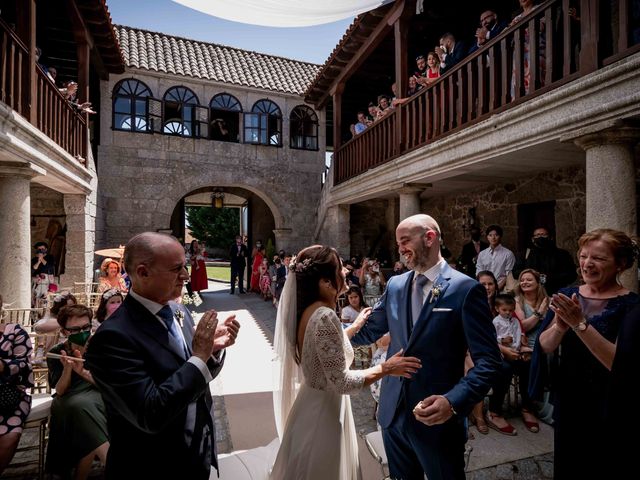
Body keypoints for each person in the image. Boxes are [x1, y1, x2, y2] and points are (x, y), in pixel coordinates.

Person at [352, 214, 501, 480]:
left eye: (405, 241)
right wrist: (325, 333)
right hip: (392, 413)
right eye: (399, 243)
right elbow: (369, 330)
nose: (400, 249)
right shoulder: (396, 285)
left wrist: (452, 401)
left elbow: (489, 361)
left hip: (438, 419)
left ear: (429, 238)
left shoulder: (465, 289)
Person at [85, 232, 241, 479]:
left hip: (194, 453)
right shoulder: (112, 338)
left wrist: (211, 350)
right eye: (176, 269)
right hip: (152, 464)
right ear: (143, 272)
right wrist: (200, 356)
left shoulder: (179, 311)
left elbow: (192, 372)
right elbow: (150, 413)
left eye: (186, 266)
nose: (186, 276)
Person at [271, 245, 421, 480]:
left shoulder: (307, 311)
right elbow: (342, 382)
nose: (345, 271)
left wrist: (353, 328)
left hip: (311, 402)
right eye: (339, 268)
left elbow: (323, 348)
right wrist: (386, 367)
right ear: (325, 282)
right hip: (324, 414)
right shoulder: (325, 316)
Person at [535, 228, 639, 479]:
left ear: (620, 264)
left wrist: (580, 325)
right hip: (570, 395)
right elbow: (545, 345)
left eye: (599, 258)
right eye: (583, 256)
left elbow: (619, 363)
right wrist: (560, 327)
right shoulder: (569, 294)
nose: (587, 264)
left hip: (609, 401)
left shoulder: (631, 305)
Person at [46, 305, 109, 478]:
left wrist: (83, 373)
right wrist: (68, 368)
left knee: (82, 407)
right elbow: (59, 390)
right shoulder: (56, 352)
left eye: (86, 327)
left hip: (95, 391)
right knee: (77, 406)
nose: (82, 332)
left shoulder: (100, 346)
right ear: (65, 331)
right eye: (75, 329)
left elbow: (107, 385)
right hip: (68, 395)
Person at [485, 294, 536, 436]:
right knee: (504, 369)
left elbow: (519, 333)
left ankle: (527, 407)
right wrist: (502, 341)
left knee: (528, 365)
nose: (508, 312)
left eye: (510, 310)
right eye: (504, 310)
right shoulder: (495, 321)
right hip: (498, 353)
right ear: (497, 309)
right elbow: (491, 338)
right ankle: (495, 411)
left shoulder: (514, 321)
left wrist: (521, 344)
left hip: (515, 350)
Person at [0, 294, 34, 475]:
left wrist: (3, 366)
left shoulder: (14, 331)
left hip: (8, 396)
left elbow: (25, 364)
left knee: (9, 436)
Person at [515, 227, 577, 295]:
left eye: (543, 235)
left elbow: (571, 274)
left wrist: (550, 278)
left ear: (550, 237)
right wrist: (533, 276)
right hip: (531, 294)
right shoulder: (524, 254)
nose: (540, 237)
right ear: (532, 239)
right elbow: (516, 272)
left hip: (556, 293)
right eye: (537, 235)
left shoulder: (562, 254)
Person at [475, 224, 516, 291]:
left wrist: (497, 288)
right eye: (490, 235)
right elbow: (479, 272)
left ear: (500, 236)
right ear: (487, 237)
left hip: (502, 289)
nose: (493, 238)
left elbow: (508, 275)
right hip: (485, 288)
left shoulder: (508, 254)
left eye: (496, 235)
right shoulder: (482, 254)